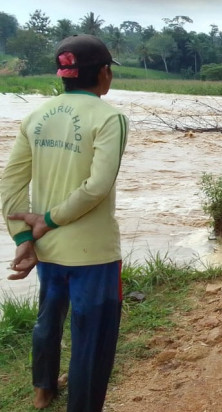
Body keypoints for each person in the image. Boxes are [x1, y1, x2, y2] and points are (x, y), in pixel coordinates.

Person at [1, 34, 128, 411]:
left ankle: (43, 390)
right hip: (93, 253)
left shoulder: (35, 116)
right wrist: (49, 221)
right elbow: (97, 187)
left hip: (47, 250)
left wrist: (25, 235)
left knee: (48, 317)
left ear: (64, 75)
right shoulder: (110, 117)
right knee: (91, 339)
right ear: (104, 74)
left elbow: (10, 182)